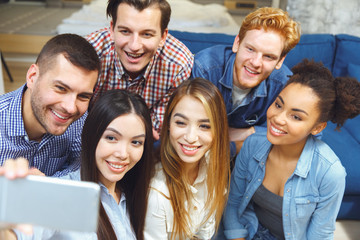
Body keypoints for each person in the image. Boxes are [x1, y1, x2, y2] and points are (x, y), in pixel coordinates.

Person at [222, 59, 360, 240]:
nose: (278, 118)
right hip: (249, 230)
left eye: (296, 116)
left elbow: (320, 234)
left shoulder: (330, 172)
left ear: (317, 128)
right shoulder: (252, 145)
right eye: (278, 105)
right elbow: (233, 203)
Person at [2, 89, 155, 240]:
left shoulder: (135, 195)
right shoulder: (62, 194)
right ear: (91, 136)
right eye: (111, 138)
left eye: (136, 142)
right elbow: (19, 234)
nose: (123, 153)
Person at [191, 7, 301, 154]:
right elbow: (189, 128)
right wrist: (235, 143)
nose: (256, 63)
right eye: (250, 49)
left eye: (268, 56)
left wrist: (250, 132)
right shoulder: (204, 69)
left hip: (249, 161)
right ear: (237, 43)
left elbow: (303, 130)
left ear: (280, 61)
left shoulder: (283, 83)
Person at [86, 0, 194, 140]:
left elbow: (155, 129)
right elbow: (74, 115)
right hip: (91, 134)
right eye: (125, 31)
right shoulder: (90, 54)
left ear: (163, 37)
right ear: (112, 29)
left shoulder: (178, 65)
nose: (134, 46)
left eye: (146, 34)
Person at [0, 34, 100, 177]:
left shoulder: (79, 122)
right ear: (32, 76)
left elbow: (81, 174)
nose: (71, 107)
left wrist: (47, 185)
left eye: (83, 96)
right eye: (61, 88)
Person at [144, 78, 230, 239]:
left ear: (218, 130)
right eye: (181, 123)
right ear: (168, 124)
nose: (190, 137)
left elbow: (205, 233)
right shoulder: (155, 193)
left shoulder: (213, 166)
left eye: (204, 126)